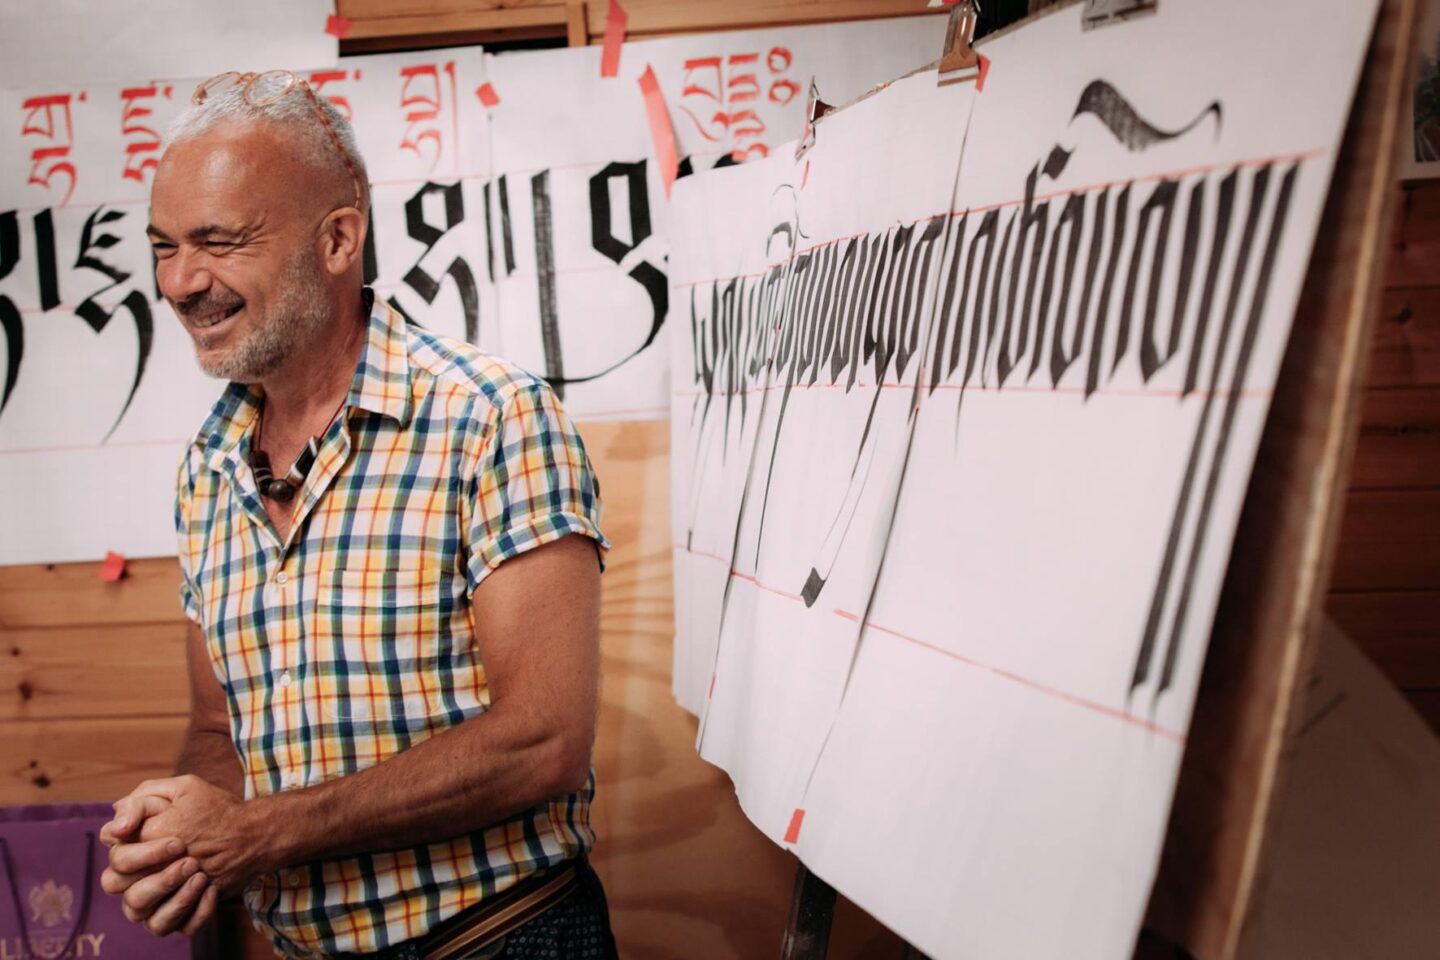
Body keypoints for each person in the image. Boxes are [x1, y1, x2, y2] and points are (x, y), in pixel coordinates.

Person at [96, 70, 617, 960]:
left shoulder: (489, 418)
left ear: (338, 240)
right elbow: (220, 732)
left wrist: (261, 834)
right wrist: (189, 833)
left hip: (500, 940)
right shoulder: (208, 468)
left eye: (218, 241)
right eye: (164, 245)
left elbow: (543, 742)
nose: (181, 282)